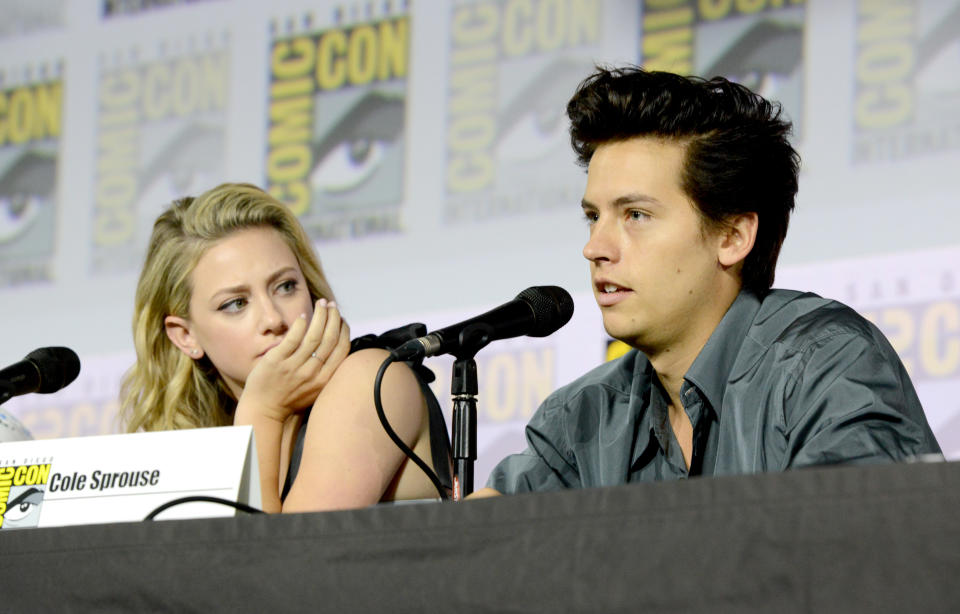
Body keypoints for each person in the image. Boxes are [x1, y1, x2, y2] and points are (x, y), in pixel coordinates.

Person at [478, 66, 941, 496]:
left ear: (733, 237)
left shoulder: (824, 363)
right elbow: (480, 546)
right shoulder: (583, 417)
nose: (595, 247)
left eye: (635, 215)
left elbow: (847, 549)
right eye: (593, 217)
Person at [120, 183, 450, 512]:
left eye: (286, 286)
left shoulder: (369, 381)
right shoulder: (203, 440)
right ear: (185, 336)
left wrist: (262, 410)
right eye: (236, 303)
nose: (273, 318)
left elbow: (279, 560)